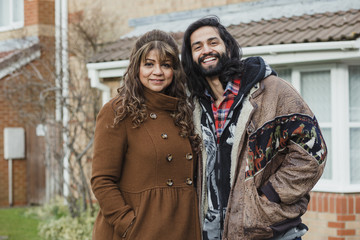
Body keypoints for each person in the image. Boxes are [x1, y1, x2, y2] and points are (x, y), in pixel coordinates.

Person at [181, 16, 327, 240]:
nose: (206, 50)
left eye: (213, 42)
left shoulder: (272, 92)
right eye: (197, 47)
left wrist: (270, 195)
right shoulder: (195, 107)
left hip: (269, 230)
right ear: (191, 58)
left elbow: (312, 152)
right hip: (211, 231)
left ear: (228, 47)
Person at [91, 29, 202, 240]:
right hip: (138, 231)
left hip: (183, 227)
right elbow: (102, 180)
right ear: (136, 68)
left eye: (166, 65)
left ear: (175, 70)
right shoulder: (118, 111)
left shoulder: (183, 111)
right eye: (149, 64)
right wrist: (128, 224)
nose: (157, 72)